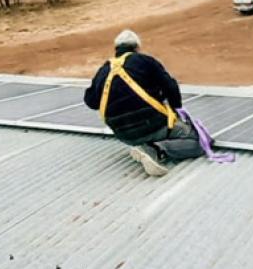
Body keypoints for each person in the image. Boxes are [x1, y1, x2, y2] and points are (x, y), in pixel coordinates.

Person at [84, 30, 203, 176]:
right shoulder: (145, 61)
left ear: (116, 49)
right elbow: (170, 86)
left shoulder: (104, 70)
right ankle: (155, 149)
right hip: (152, 126)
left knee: (152, 129)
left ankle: (144, 146)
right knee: (197, 142)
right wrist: (176, 110)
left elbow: (91, 102)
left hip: (123, 134)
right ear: (137, 47)